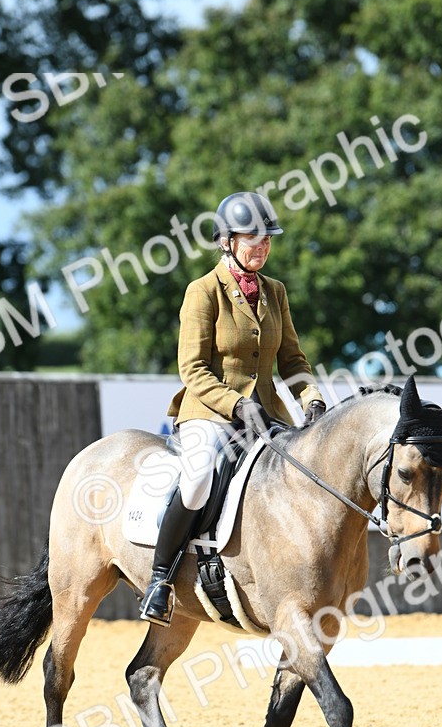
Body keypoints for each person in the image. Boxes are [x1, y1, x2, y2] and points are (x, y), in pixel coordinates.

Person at [139, 190, 327, 625]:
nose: (260, 247)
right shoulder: (202, 292)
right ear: (227, 241)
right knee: (199, 479)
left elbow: (293, 360)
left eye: (267, 239)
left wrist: (312, 397)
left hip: (267, 414)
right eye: (251, 239)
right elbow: (193, 369)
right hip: (210, 413)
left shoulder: (275, 292)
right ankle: (160, 580)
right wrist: (237, 405)